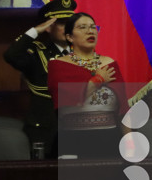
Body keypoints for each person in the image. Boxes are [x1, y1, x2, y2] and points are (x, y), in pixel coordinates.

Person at [3, 0, 76, 158]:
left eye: (70, 23)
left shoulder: (83, 54)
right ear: (49, 27)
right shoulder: (37, 52)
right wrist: (35, 31)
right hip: (44, 130)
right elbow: (11, 55)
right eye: (61, 23)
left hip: (76, 130)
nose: (67, 28)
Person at [48, 12, 128, 159]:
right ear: (69, 37)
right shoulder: (58, 65)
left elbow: (123, 109)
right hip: (73, 140)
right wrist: (98, 79)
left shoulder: (109, 64)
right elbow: (71, 98)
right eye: (82, 27)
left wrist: (130, 143)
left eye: (93, 27)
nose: (90, 31)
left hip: (109, 140)